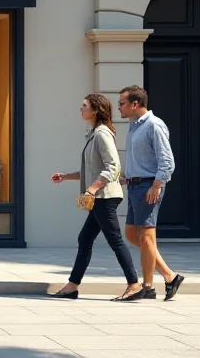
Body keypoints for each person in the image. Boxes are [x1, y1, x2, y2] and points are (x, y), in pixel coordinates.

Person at [49, 94, 144, 301]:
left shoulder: (102, 134)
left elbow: (113, 167)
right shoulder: (94, 133)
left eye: (84, 106)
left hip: (105, 197)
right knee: (85, 239)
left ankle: (134, 285)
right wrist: (66, 176)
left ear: (95, 110)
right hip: (100, 197)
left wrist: (92, 189)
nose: (81, 109)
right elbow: (91, 170)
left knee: (115, 240)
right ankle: (72, 286)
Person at [118, 85, 185, 301]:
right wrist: (127, 177)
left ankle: (147, 287)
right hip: (134, 185)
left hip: (148, 186)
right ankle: (170, 276)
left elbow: (167, 160)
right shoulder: (134, 126)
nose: (119, 107)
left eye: (122, 103)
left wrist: (156, 185)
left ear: (135, 104)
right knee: (132, 235)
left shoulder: (154, 125)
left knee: (147, 237)